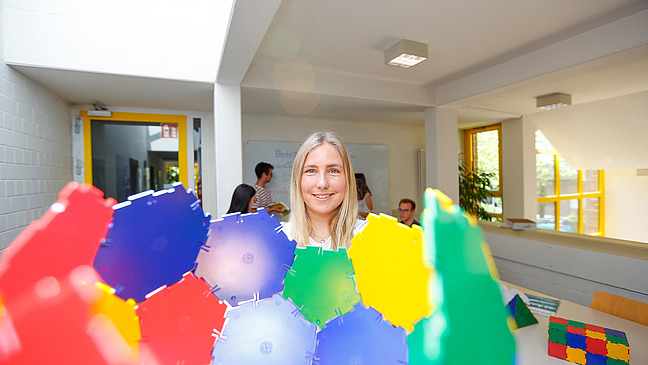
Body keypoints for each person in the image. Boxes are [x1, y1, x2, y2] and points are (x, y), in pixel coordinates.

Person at [282, 130, 367, 250]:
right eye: (311, 171)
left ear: (347, 180)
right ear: (298, 180)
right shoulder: (278, 238)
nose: (322, 183)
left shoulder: (371, 237)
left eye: (333, 170)